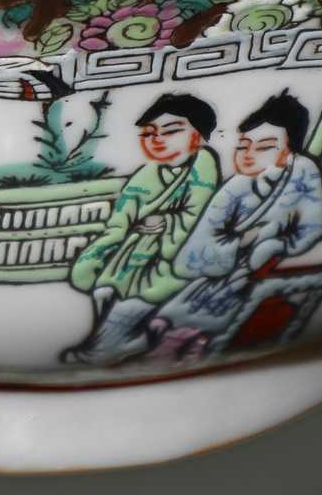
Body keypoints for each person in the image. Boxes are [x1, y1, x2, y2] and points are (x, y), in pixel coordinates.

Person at [155, 90, 322, 359]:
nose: (248, 155)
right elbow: (201, 240)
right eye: (243, 146)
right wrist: (236, 244)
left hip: (266, 272)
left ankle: (188, 337)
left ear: (289, 151)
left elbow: (311, 227)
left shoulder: (302, 173)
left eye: (264, 147)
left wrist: (271, 245)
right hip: (224, 270)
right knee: (185, 306)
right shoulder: (236, 186)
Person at [63, 93, 220, 367]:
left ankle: (109, 348)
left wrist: (166, 224)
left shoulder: (203, 165)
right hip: (131, 255)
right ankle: (132, 340)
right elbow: (119, 222)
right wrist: (97, 254)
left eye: (171, 131)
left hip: (169, 259)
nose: (157, 139)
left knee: (129, 303)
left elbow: (197, 217)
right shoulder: (146, 174)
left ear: (199, 136)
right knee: (103, 289)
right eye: (148, 133)